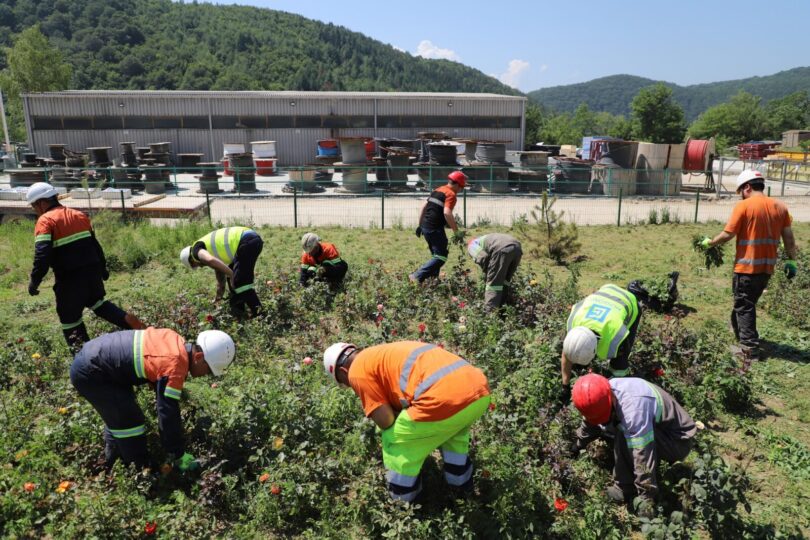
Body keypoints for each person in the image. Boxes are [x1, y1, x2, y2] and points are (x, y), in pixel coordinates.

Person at [322, 341, 490, 502]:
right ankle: (462, 492)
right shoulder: (379, 353)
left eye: (345, 384)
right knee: (451, 434)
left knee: (395, 437)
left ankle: (403, 505)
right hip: (478, 392)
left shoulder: (356, 370)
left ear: (343, 371)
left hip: (442, 399)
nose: (351, 386)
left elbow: (386, 420)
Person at [69, 327, 235, 470]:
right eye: (208, 370)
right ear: (198, 357)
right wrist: (177, 454)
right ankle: (142, 474)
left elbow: (151, 365)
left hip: (98, 362)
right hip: (92, 372)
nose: (205, 375)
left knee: (119, 416)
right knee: (130, 424)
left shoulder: (174, 340)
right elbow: (167, 414)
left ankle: (112, 463)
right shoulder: (174, 365)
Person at [26, 182, 145, 350]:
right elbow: (95, 245)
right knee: (100, 305)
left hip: (70, 281)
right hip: (92, 274)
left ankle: (85, 361)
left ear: (41, 202)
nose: (34, 210)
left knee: (70, 321)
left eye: (33, 206)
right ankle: (142, 330)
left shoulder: (45, 221)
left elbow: (42, 255)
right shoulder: (79, 215)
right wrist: (103, 268)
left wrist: (34, 281)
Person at [700, 169, 797, 358]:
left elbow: (728, 234)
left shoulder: (744, 207)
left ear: (747, 187)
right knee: (746, 302)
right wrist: (791, 261)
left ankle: (749, 348)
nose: (741, 197)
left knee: (745, 305)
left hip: (747, 268)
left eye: (741, 192)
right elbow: (789, 239)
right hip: (767, 269)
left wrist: (710, 243)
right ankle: (738, 331)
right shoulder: (781, 207)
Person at [571, 373, 697, 516]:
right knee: (620, 428)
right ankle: (625, 484)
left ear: (610, 399)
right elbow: (590, 421)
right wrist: (577, 445)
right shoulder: (602, 391)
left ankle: (625, 488)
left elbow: (642, 455)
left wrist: (646, 499)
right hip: (660, 430)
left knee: (623, 431)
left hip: (677, 441)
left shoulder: (633, 410)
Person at [561, 284, 641, 400]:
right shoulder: (573, 324)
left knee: (619, 365)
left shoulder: (616, 337)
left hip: (629, 302)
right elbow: (566, 354)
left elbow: (620, 371)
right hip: (606, 290)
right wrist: (565, 386)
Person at [180, 226, 264, 317]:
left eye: (196, 265)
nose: (200, 266)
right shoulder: (213, 255)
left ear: (191, 260)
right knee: (233, 282)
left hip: (246, 240)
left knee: (240, 282)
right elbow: (221, 282)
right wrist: (218, 298)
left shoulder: (195, 251)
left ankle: (260, 316)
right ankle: (240, 315)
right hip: (250, 240)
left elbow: (210, 260)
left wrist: (232, 275)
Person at [410, 171, 467, 283]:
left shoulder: (438, 190)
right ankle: (416, 276)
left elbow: (424, 207)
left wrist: (420, 225)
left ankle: (432, 281)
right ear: (456, 184)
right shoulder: (451, 194)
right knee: (441, 257)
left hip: (426, 227)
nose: (460, 190)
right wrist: (456, 232)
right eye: (461, 187)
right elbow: (447, 213)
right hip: (434, 228)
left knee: (436, 255)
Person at [466, 233, 523, 310]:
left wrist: (489, 274)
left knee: (493, 285)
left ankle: (491, 315)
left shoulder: (471, 245)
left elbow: (483, 258)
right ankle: (503, 310)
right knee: (505, 282)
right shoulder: (485, 239)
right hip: (517, 248)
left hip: (501, 248)